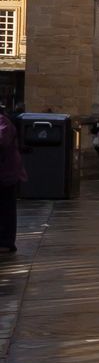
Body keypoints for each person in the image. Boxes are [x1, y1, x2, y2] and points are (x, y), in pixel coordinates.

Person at [0, 106, 21, 257]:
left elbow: (2, 141)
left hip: (5, 174)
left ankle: (6, 242)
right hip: (6, 173)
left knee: (5, 209)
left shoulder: (2, 121)